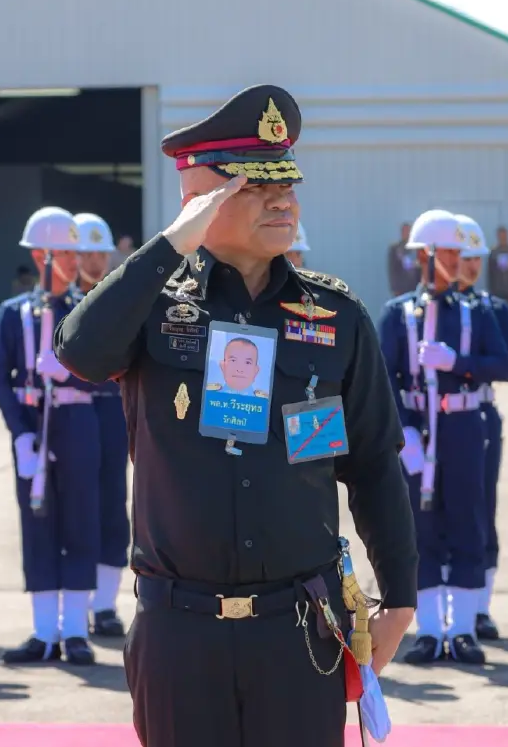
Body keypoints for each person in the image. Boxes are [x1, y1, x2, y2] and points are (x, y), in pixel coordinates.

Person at [55, 84, 417, 747]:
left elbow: (371, 462)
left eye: (287, 184)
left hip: (299, 631)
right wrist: (169, 246)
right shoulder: (155, 306)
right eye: (255, 187)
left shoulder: (335, 318)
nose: (283, 200)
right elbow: (79, 349)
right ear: (202, 201)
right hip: (179, 632)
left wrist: (400, 596)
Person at [377, 208, 508, 666]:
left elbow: (506, 366)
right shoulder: (398, 314)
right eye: (450, 252)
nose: (458, 260)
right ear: (425, 256)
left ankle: (463, 629)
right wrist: (404, 436)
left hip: (463, 429)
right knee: (422, 529)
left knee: (467, 521)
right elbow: (384, 382)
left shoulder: (476, 311)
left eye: (459, 252)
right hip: (418, 430)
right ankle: (431, 631)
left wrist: (457, 361)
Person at [0, 206, 101, 666]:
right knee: (37, 526)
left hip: (77, 426)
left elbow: (111, 376)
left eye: (77, 253)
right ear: (41, 256)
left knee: (79, 522)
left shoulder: (89, 310)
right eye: (66, 253)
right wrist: (19, 434)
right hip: (34, 427)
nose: (76, 262)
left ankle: (74, 631)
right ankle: (42, 630)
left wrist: (71, 376)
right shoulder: (12, 314)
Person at [454, 214, 508, 641]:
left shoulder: (493, 309)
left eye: (477, 258)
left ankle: (480, 606)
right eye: (464, 257)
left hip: (478, 417)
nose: (473, 265)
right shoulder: (414, 312)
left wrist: (462, 366)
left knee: (481, 507)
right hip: (436, 418)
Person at [73, 211, 131, 638]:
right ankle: (75, 601)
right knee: (77, 508)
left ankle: (106, 604)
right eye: (85, 252)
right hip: (72, 413)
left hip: (113, 411)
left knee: (113, 505)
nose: (94, 261)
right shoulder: (58, 304)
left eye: (99, 252)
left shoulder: (121, 298)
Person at [387, 222, 420, 296]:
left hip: (415, 288)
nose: (407, 233)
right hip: (401, 289)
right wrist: (394, 288)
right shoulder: (395, 248)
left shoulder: (417, 248)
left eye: (408, 231)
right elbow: (392, 269)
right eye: (405, 231)